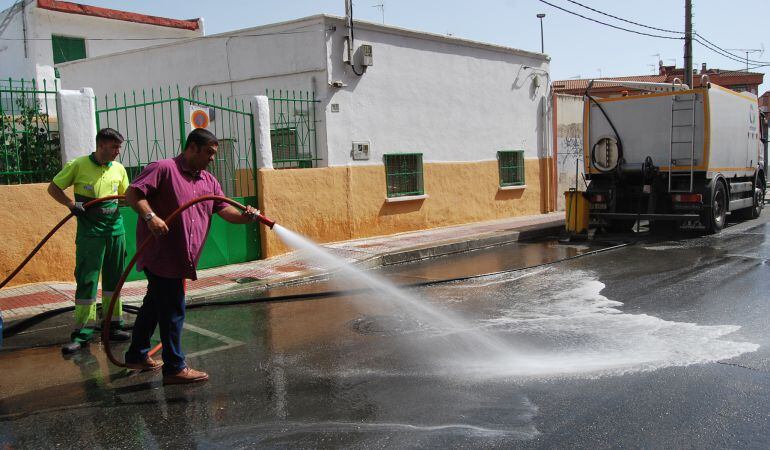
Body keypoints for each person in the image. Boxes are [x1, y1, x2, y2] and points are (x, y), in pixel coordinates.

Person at [123, 128, 261, 385]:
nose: (212, 158)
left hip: (182, 256)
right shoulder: (164, 168)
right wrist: (150, 217)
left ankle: (136, 355)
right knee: (173, 309)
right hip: (162, 253)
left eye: (214, 153)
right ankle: (174, 367)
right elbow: (133, 194)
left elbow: (224, 210)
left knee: (154, 304)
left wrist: (246, 217)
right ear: (192, 148)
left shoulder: (208, 181)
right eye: (208, 152)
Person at [48, 128, 131, 354]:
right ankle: (82, 333)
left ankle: (113, 326)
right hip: (90, 234)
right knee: (87, 281)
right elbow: (53, 188)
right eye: (114, 147)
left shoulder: (119, 169)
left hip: (115, 231)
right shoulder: (79, 165)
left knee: (115, 280)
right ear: (101, 145)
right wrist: (70, 204)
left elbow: (126, 196)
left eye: (118, 147)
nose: (117, 152)